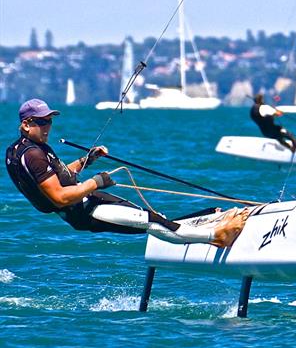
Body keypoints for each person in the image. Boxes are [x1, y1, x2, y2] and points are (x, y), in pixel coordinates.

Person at [5, 98, 247, 247]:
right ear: (26, 124)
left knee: (151, 217)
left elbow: (59, 177)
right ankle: (217, 236)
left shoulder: (25, 149)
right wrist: (96, 182)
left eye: (49, 120)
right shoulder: (33, 155)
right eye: (41, 122)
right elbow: (58, 197)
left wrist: (86, 160)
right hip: (84, 211)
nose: (48, 126)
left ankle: (208, 219)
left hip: (87, 201)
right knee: (151, 222)